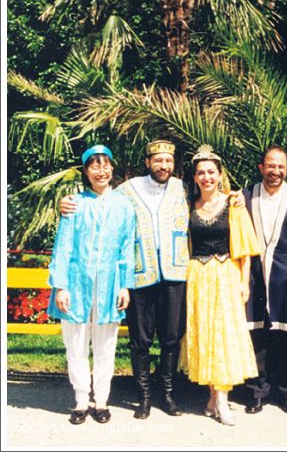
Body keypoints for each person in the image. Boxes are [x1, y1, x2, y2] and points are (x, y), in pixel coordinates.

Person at [61, 140, 190, 419]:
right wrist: (63, 203)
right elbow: (71, 235)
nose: (163, 165)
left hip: (169, 274)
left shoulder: (183, 187)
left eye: (168, 160)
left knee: (170, 338)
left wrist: (235, 198)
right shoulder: (126, 191)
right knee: (137, 340)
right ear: (147, 162)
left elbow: (213, 191)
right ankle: (137, 397)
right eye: (158, 160)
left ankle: (164, 395)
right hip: (136, 277)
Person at [48, 145, 136, 425]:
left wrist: (124, 286)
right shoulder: (75, 203)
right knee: (75, 345)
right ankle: (80, 400)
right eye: (94, 166)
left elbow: (126, 249)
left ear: (112, 168)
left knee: (105, 346)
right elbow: (62, 247)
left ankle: (101, 400)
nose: (101, 171)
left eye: (105, 165)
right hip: (76, 285)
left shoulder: (123, 206)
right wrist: (61, 286)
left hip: (109, 286)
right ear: (86, 171)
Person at [180, 145, 260, 426]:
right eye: (201, 173)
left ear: (219, 174)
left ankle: (223, 400)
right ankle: (213, 396)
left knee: (223, 336)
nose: (206, 177)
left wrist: (243, 282)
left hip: (225, 274)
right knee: (205, 336)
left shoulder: (233, 204)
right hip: (198, 277)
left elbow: (245, 248)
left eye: (211, 172)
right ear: (195, 177)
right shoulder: (189, 206)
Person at [242, 145, 287, 415]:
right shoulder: (245, 197)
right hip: (253, 277)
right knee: (256, 336)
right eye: (270, 166)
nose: (275, 171)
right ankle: (257, 391)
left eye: (280, 166)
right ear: (261, 167)